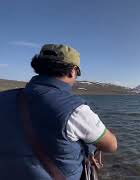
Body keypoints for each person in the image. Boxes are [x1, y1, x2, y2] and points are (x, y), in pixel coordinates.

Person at [0, 44, 117, 179]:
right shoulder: (75, 109)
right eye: (77, 73)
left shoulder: (3, 98)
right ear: (72, 71)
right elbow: (111, 145)